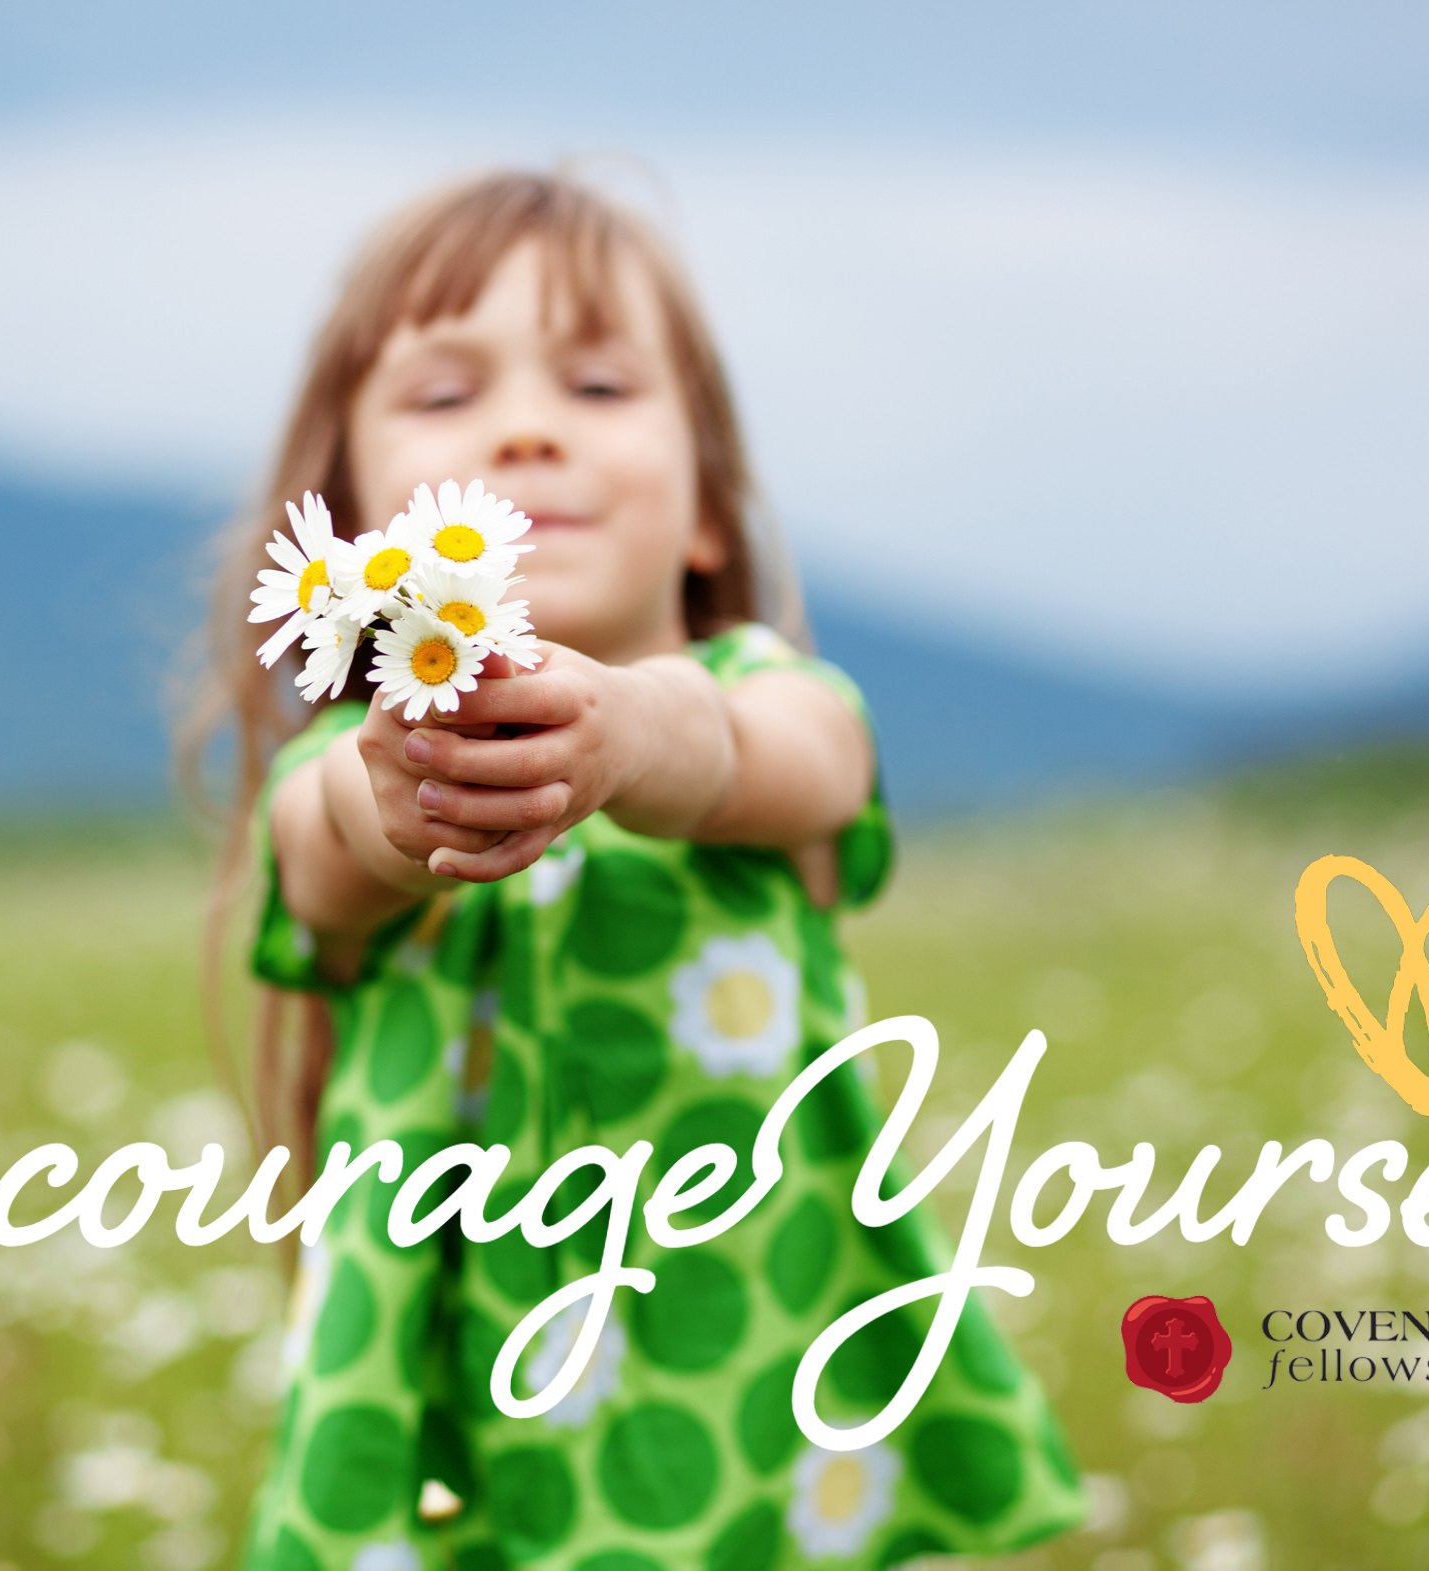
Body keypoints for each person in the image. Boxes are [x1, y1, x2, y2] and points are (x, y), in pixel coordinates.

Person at [192, 170, 1083, 1571]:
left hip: (750, 1374)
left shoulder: (776, 702)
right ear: (354, 528)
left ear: (710, 514)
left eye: (600, 386)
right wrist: (411, 791)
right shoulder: (346, 770)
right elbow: (334, 855)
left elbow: (774, 760)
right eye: (445, 396)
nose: (528, 428)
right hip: (453, 1399)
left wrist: (634, 730)